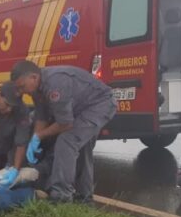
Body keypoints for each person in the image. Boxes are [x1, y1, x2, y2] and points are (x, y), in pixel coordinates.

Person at [11, 60, 116, 203]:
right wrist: (35, 138)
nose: (22, 92)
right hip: (80, 109)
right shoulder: (36, 89)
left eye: (22, 87)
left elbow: (65, 124)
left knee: (67, 141)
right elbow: (41, 116)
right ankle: (84, 196)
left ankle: (61, 195)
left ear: (34, 77)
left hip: (99, 104)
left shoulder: (55, 84)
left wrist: (40, 135)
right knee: (82, 148)